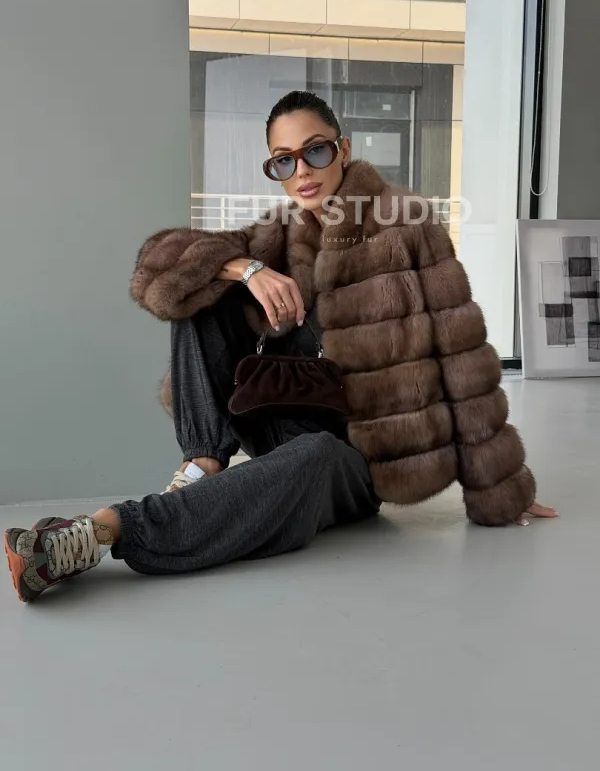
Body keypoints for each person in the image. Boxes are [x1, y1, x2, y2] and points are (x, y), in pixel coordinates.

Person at [4, 91, 558, 604]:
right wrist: (247, 269)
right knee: (204, 284)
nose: (302, 172)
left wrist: (499, 487)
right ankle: (202, 462)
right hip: (273, 419)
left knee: (312, 456)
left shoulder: (408, 225)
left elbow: (462, 355)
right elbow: (160, 267)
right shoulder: (280, 231)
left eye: (314, 151)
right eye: (283, 161)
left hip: (355, 457)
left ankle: (99, 531)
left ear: (343, 149)